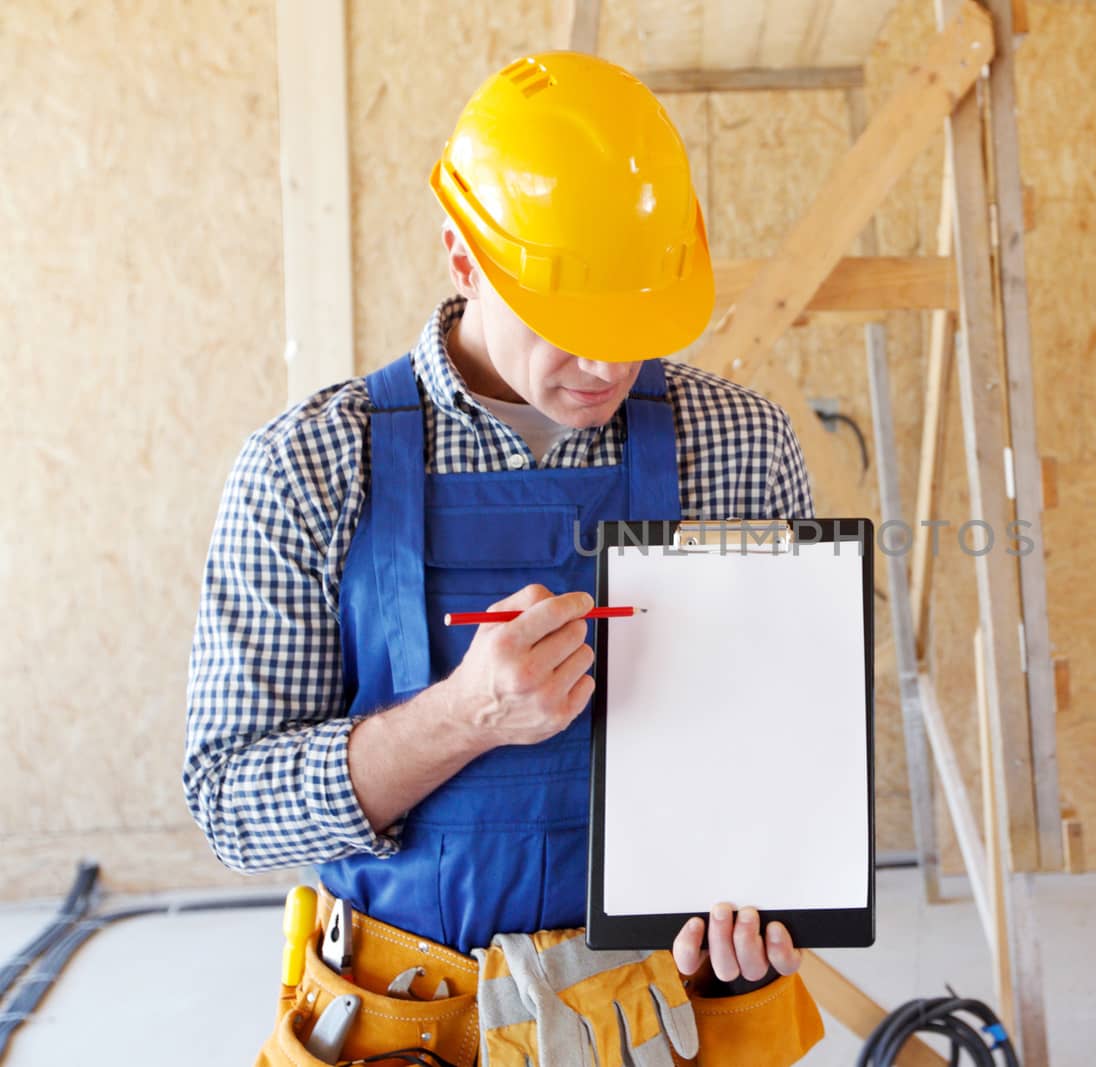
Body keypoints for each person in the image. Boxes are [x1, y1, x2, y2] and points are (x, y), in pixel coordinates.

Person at [185, 51, 823, 1066]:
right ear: (462, 258)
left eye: (637, 319)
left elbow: (789, 745)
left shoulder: (738, 443)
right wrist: (462, 715)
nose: (609, 365)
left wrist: (766, 900)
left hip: (653, 1017)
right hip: (404, 1023)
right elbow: (232, 807)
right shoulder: (310, 465)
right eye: (572, 323)